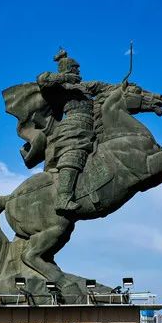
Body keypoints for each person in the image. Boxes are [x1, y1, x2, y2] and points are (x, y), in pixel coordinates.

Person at [36, 48, 110, 214]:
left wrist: (125, 87)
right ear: (68, 69)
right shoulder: (60, 87)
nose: (78, 71)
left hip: (93, 125)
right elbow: (42, 79)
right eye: (75, 68)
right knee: (75, 152)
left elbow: (107, 87)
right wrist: (64, 78)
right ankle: (63, 198)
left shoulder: (85, 87)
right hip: (73, 126)